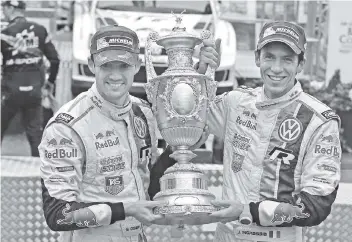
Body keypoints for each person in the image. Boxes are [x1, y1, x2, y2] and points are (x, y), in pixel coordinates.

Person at [38, 25, 220, 242]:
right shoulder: (66, 127)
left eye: (123, 65)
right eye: (107, 65)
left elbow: (150, 186)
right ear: (91, 65)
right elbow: (59, 215)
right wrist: (126, 210)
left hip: (137, 236)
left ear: (137, 65)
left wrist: (177, 150)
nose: (115, 75)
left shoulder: (143, 112)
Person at [204, 21, 342, 242]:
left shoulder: (319, 120)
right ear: (258, 58)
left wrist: (246, 210)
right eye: (269, 57)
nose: (276, 68)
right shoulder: (236, 103)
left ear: (300, 64)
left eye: (287, 59)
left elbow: (316, 205)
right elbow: (184, 123)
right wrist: (199, 74)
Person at [1, 0, 60, 157]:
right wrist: (50, 82)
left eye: (3, 8)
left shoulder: (4, 32)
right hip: (34, 91)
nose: (2, 12)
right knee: (35, 136)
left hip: (10, 91)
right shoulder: (40, 30)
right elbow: (55, 60)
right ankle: (41, 176)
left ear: (10, 8)